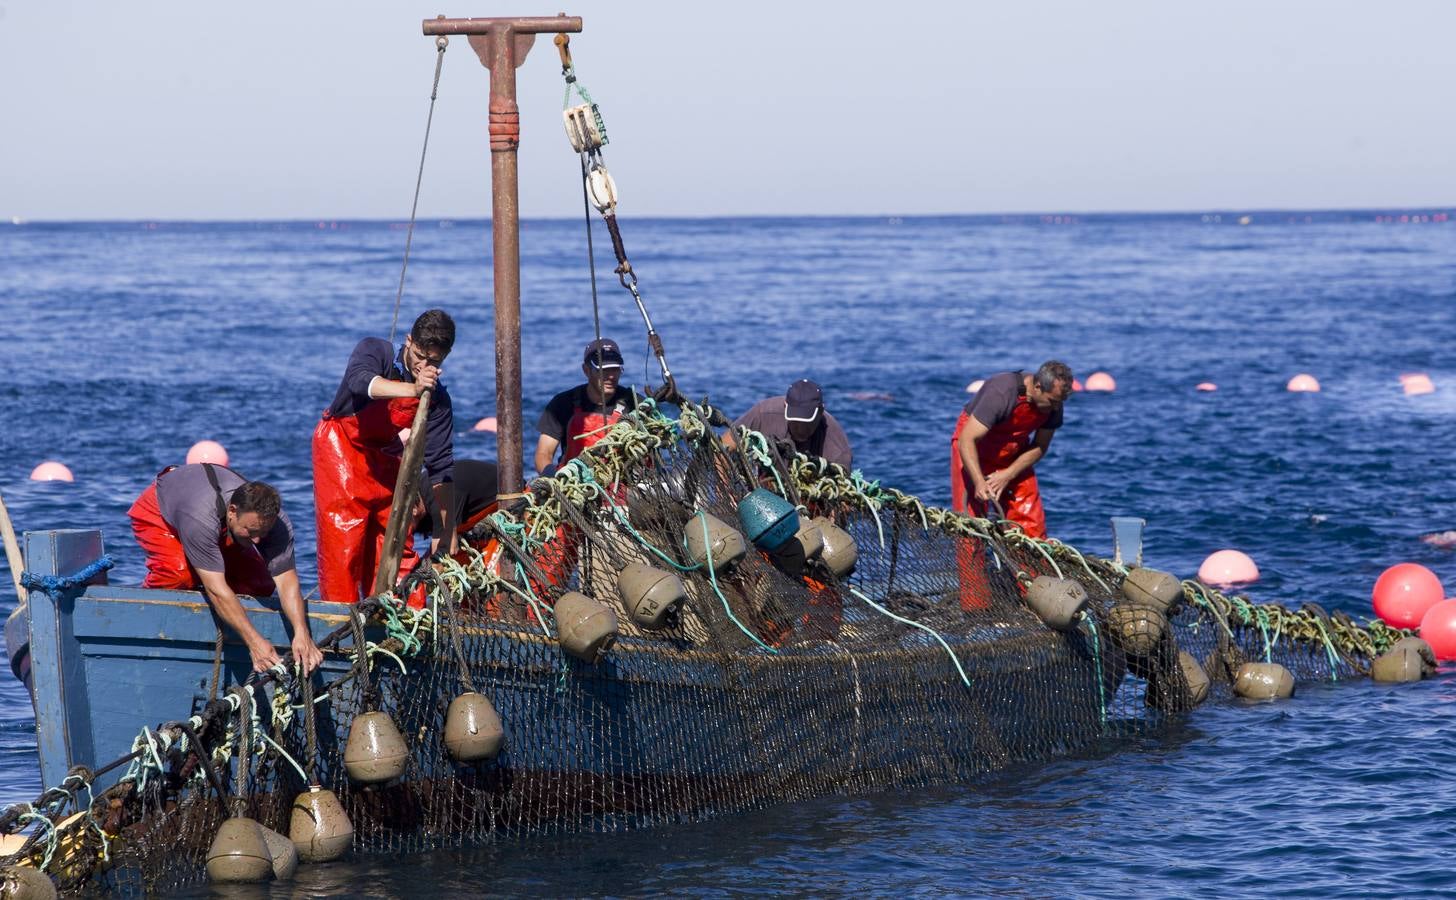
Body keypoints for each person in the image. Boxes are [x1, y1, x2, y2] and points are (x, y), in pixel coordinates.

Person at [313, 309, 457, 604]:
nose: (425, 366)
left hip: (387, 459)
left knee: (396, 539)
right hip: (341, 453)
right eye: (420, 356)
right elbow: (360, 382)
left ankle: (401, 615)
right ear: (408, 341)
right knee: (344, 548)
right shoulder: (376, 350)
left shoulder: (438, 399)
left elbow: (440, 465)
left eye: (435, 362)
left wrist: (447, 527)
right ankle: (341, 621)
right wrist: (412, 389)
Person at [128, 463, 323, 674]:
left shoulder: (275, 523)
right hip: (160, 510)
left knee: (260, 583)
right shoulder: (199, 518)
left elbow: (286, 581)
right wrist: (255, 642)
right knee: (180, 575)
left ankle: (225, 608)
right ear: (232, 512)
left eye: (264, 532)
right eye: (252, 531)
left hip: (216, 520)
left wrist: (302, 633)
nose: (258, 539)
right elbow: (216, 590)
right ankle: (144, 611)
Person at [951, 361, 1073, 538]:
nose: (1056, 408)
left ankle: (1028, 565)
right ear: (1037, 387)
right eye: (1052, 402)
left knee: (1031, 525)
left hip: (1013, 455)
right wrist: (979, 481)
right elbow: (967, 439)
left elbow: (1040, 446)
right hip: (972, 449)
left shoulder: (1054, 403)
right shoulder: (1001, 392)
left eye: (1059, 403)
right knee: (971, 525)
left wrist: (1007, 474)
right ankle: (972, 566)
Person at [534, 338, 635, 475]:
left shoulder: (635, 404)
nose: (611, 376)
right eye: (603, 370)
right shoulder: (562, 403)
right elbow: (543, 453)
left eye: (615, 369)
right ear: (586, 370)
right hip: (573, 485)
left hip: (621, 484)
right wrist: (555, 478)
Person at [724, 379, 852, 468]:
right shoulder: (763, 414)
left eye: (807, 422)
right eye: (795, 421)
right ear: (785, 407)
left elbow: (841, 501)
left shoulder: (838, 450)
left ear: (821, 411)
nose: (801, 429)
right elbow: (723, 449)